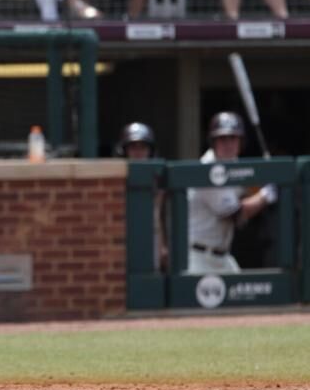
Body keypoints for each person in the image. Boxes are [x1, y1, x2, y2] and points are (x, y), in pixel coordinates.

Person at [187, 112, 276, 274]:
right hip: (199, 257)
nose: (228, 144)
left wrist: (267, 173)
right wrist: (266, 194)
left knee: (242, 295)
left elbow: (247, 192)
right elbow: (236, 214)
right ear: (213, 142)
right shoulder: (208, 169)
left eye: (233, 138)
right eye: (222, 139)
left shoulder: (232, 165)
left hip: (222, 256)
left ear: (241, 142)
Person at [115, 122, 167, 271]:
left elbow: (159, 219)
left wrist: (163, 245)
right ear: (125, 151)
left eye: (143, 147)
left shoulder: (158, 180)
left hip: (150, 240)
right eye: (133, 147)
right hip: (123, 242)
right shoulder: (117, 178)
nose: (138, 152)